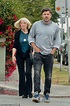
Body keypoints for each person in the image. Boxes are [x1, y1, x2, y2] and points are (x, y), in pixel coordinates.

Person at [28, 7, 61, 103]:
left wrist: (53, 50)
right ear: (42, 15)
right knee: (37, 73)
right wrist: (35, 48)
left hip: (49, 54)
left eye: (48, 14)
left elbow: (57, 39)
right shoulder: (36, 25)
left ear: (50, 15)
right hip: (38, 54)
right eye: (44, 14)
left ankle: (47, 94)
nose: (46, 16)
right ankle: (37, 93)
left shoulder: (55, 26)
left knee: (48, 76)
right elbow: (31, 37)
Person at [12, 17, 33, 98]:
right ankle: (23, 92)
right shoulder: (17, 33)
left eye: (24, 23)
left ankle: (29, 91)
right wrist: (13, 55)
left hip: (28, 54)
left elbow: (34, 43)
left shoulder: (31, 33)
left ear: (27, 24)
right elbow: (15, 46)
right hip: (20, 55)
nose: (22, 25)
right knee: (21, 74)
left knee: (28, 72)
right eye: (21, 23)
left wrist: (34, 51)